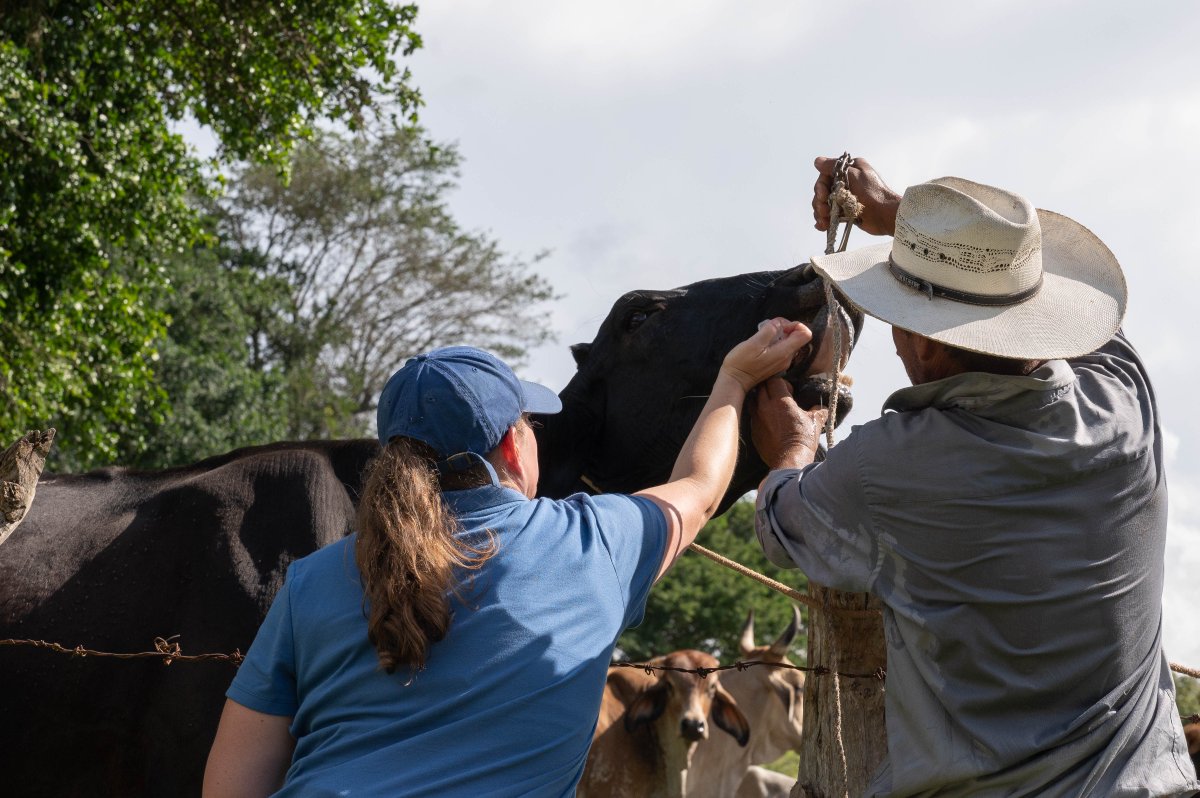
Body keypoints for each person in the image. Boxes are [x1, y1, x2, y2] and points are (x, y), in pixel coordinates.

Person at [202, 320, 812, 797]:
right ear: (514, 447)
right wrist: (734, 376)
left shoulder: (310, 581)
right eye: (528, 423)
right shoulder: (590, 544)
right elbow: (701, 488)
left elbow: (231, 787)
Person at [751, 156, 1200, 796]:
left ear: (927, 345)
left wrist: (790, 450)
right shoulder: (1124, 409)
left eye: (899, 319)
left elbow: (781, 520)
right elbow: (1097, 330)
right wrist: (903, 218)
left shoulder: (885, 468)